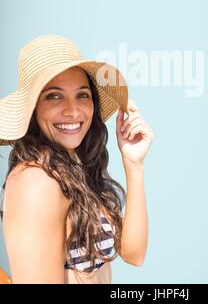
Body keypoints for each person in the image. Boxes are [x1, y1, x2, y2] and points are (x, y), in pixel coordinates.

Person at [0, 34, 154, 284]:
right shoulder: (37, 181)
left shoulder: (73, 169)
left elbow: (134, 254)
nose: (73, 110)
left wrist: (134, 164)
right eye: (54, 96)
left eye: (82, 95)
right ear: (32, 109)